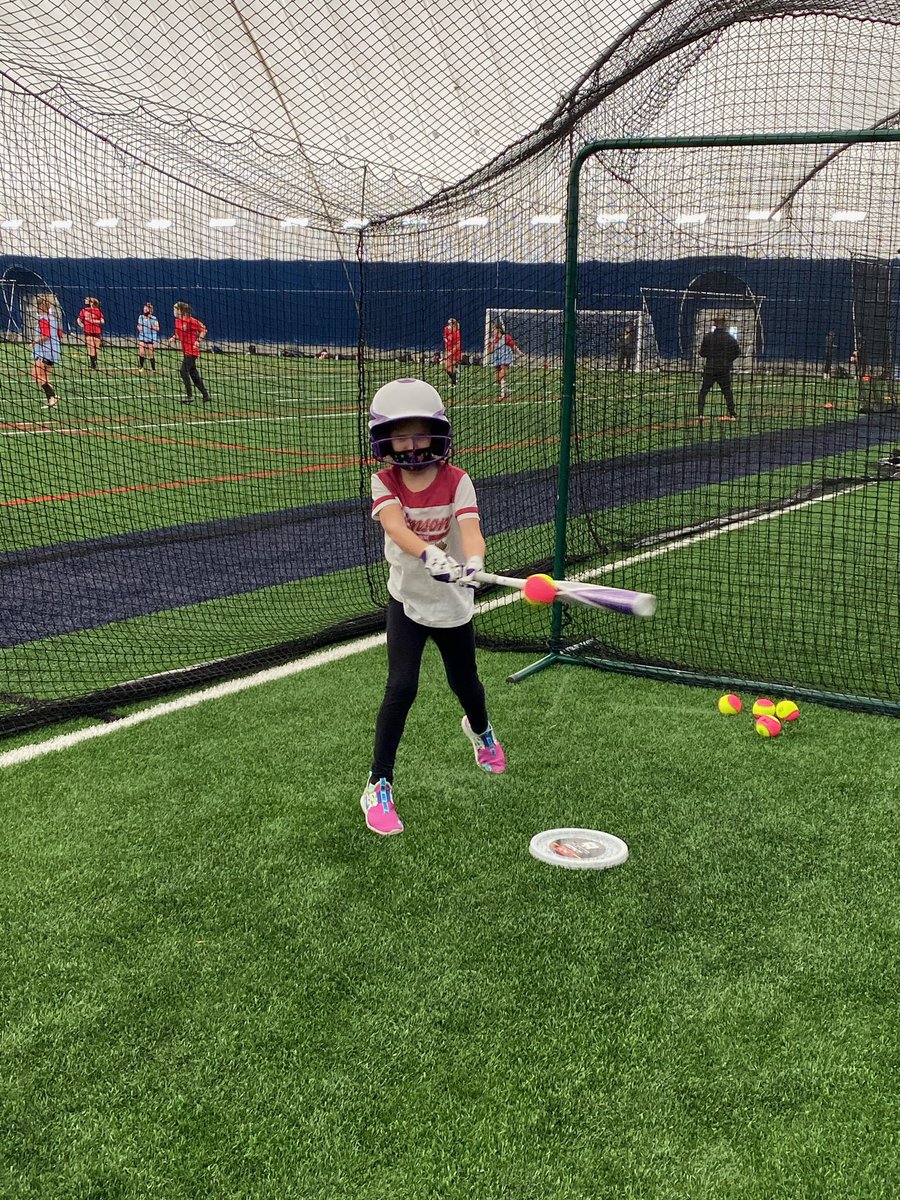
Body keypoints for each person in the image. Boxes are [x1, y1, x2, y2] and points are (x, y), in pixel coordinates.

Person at [362, 377, 506, 835]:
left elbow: (470, 530)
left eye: (419, 432)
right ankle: (378, 783)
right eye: (400, 434)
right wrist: (429, 553)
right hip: (407, 599)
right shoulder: (383, 481)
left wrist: (475, 561)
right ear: (384, 438)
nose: (410, 445)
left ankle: (481, 733)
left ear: (437, 432)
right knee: (401, 687)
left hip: (452, 600)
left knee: (466, 683)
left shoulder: (458, 480)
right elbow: (395, 528)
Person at [167, 301, 211, 404]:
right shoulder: (177, 321)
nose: (174, 311)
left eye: (175, 309)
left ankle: (189, 396)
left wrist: (198, 341)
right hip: (185, 351)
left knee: (183, 371)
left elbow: (204, 330)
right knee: (193, 374)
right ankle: (205, 395)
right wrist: (173, 338)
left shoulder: (191, 321)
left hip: (192, 351)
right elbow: (178, 334)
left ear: (180, 310)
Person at [697, 314, 740, 421]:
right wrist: (727, 360)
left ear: (715, 324)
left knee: (703, 391)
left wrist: (711, 355)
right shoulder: (730, 338)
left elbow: (702, 353)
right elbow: (737, 352)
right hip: (723, 369)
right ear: (724, 324)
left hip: (710, 368)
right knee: (727, 392)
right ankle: (732, 414)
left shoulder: (708, 337)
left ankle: (700, 414)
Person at [32, 293, 62, 409]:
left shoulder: (44, 319)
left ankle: (52, 396)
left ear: (40, 307)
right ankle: (51, 400)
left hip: (45, 352)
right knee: (44, 376)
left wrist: (34, 342)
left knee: (36, 375)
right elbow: (60, 334)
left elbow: (46, 335)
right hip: (53, 351)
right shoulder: (52, 319)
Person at [487, 322, 520, 399]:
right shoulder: (492, 339)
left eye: (494, 329)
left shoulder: (506, 337)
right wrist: (492, 344)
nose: (492, 331)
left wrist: (519, 353)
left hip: (505, 358)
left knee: (502, 375)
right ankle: (506, 391)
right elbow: (490, 351)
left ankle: (502, 395)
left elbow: (513, 346)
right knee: (498, 379)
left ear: (499, 330)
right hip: (497, 359)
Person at [76, 296, 105, 369]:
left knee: (96, 348)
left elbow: (102, 321)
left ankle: (95, 362)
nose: (85, 301)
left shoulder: (97, 311)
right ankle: (93, 365)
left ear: (91, 302)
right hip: (88, 331)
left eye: (87, 300)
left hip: (96, 331)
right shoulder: (84, 310)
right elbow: (79, 319)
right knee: (90, 347)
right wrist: (81, 324)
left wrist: (95, 321)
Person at [136, 303, 160, 372]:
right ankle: (141, 366)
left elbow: (158, 328)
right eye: (144, 308)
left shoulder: (154, 318)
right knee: (141, 352)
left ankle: (153, 368)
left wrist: (152, 327)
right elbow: (138, 325)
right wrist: (139, 328)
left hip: (150, 337)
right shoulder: (141, 317)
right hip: (142, 337)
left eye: (146, 309)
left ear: (150, 310)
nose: (145, 309)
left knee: (151, 353)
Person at [443, 317, 462, 390]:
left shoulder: (456, 332)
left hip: (455, 352)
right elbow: (445, 337)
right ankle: (454, 379)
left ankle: (453, 383)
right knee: (446, 368)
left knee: (451, 367)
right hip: (448, 350)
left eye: (450, 324)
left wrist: (451, 352)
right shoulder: (446, 329)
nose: (449, 325)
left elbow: (458, 344)